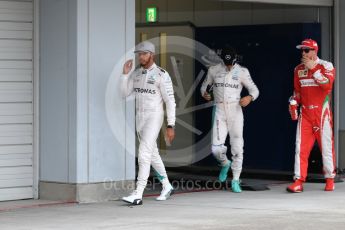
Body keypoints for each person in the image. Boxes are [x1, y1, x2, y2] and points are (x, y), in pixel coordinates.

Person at [121, 41, 176, 204]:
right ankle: (167, 186)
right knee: (152, 154)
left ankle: (138, 193)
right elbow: (124, 93)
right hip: (140, 118)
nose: (141, 57)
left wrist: (170, 125)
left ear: (152, 54)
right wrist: (125, 75)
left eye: (144, 54)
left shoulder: (161, 74)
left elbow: (170, 101)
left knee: (144, 154)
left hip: (154, 117)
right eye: (139, 54)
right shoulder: (136, 74)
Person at [200, 47, 259, 193]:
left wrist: (249, 98)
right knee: (215, 148)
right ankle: (225, 164)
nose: (228, 66)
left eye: (230, 63)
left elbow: (255, 90)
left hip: (236, 110)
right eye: (226, 63)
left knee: (237, 146)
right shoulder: (213, 70)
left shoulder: (242, 71)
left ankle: (236, 179)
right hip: (219, 110)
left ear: (235, 60)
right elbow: (203, 87)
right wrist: (205, 94)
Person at [287, 39, 336, 193]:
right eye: (302, 50)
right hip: (306, 114)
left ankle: (329, 179)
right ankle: (299, 181)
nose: (303, 53)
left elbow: (327, 85)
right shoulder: (297, 69)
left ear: (315, 51)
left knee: (326, 148)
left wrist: (314, 69)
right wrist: (293, 101)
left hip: (322, 113)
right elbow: (298, 92)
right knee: (300, 148)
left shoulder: (326, 65)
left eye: (307, 50)